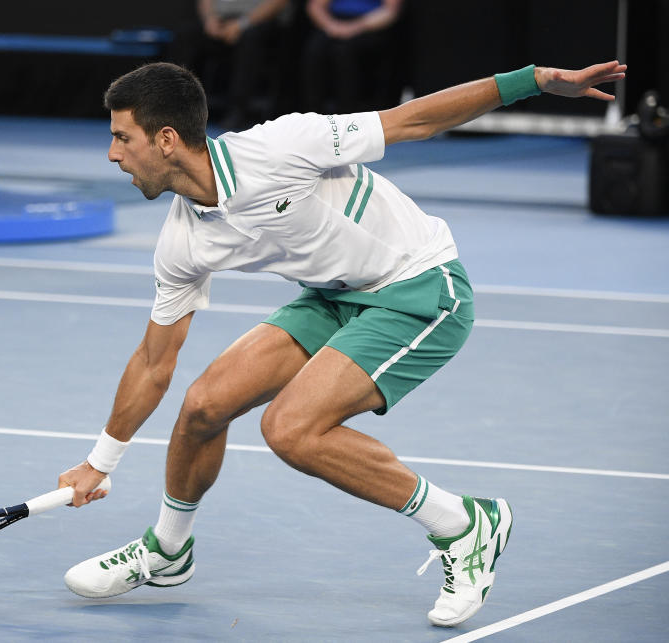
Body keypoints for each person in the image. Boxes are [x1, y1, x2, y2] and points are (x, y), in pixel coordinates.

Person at [57, 59, 626, 626]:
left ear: (165, 139)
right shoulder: (182, 242)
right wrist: (97, 463)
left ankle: (464, 523)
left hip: (420, 285)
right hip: (335, 295)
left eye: (121, 137)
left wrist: (537, 81)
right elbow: (156, 362)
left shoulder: (282, 146)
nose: (112, 154)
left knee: (290, 429)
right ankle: (168, 551)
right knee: (205, 404)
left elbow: (413, 122)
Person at [169, 0, 292, 129]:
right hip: (220, 20)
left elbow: (279, 2)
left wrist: (242, 24)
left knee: (251, 38)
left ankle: (238, 110)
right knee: (186, 34)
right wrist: (209, 18)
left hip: (260, 21)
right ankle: (177, 106)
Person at [301, 0, 406, 113]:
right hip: (334, 22)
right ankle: (313, 113)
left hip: (371, 24)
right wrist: (332, 26)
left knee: (343, 52)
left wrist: (355, 27)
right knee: (315, 50)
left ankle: (348, 114)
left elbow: (391, 11)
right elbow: (315, 6)